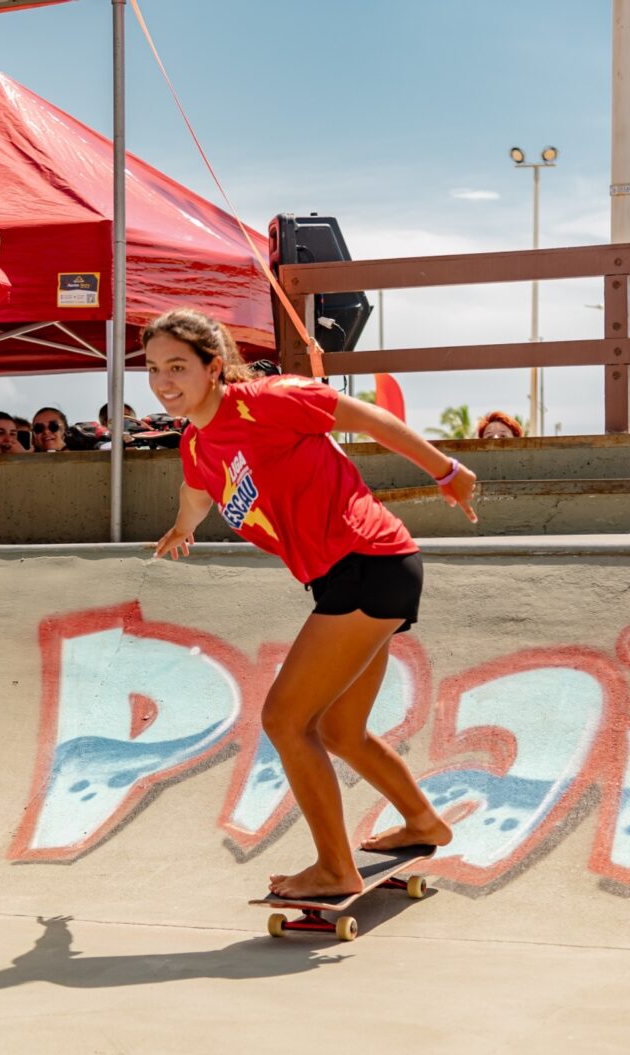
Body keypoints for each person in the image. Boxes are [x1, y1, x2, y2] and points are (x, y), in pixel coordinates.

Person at [146, 308, 477, 900]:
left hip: (369, 562)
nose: (164, 381)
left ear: (213, 367)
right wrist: (181, 528)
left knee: (285, 720)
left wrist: (445, 469)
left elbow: (368, 418)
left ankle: (334, 868)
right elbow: (196, 492)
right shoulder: (196, 443)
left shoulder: (270, 399)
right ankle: (423, 822)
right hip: (348, 577)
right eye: (152, 369)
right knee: (341, 730)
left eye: (177, 366)